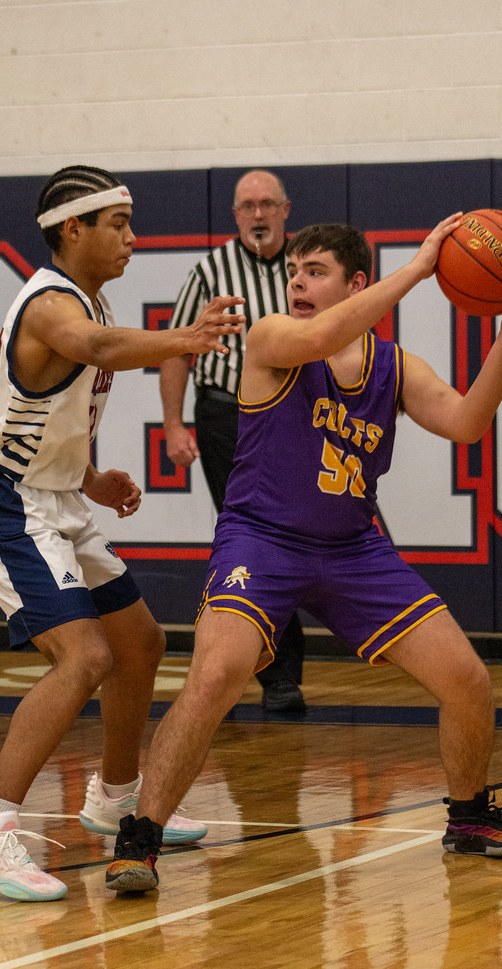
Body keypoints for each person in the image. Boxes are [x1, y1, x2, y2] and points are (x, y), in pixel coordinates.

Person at [104, 217, 502, 893]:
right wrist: (422, 268)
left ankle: (468, 817)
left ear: (355, 283)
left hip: (351, 548)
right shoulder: (273, 336)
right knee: (218, 673)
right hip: (261, 538)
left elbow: (466, 424)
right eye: (293, 272)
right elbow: (318, 336)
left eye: (314, 272)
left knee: (468, 680)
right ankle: (141, 835)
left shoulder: (395, 367)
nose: (297, 282)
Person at [0, 165, 246, 902]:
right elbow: (96, 349)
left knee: (139, 643)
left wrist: (90, 476)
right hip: (10, 502)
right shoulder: (50, 303)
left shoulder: (85, 298)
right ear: (74, 229)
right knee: (83, 658)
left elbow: (38, 410)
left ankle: (115, 795)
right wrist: (184, 339)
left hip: (55, 493)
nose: (132, 239)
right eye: (118, 225)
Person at [161, 169, 306, 716]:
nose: (259, 214)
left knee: (293, 534)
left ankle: (267, 666)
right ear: (235, 214)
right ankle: (271, 674)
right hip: (228, 418)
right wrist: (175, 426)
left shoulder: (306, 268)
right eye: (248, 205)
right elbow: (179, 350)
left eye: (268, 203)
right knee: (249, 537)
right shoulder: (211, 270)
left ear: (285, 210)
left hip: (293, 416)